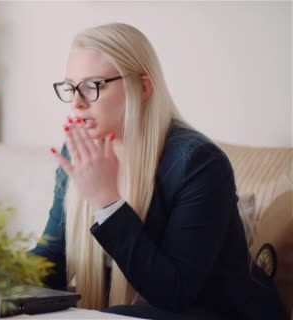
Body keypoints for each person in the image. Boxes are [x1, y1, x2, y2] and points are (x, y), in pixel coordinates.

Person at [30, 23, 285, 320]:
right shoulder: (80, 151)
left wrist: (107, 203)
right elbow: (52, 258)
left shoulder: (199, 163)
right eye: (71, 87)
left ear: (142, 87)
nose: (76, 102)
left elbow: (174, 292)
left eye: (92, 86)